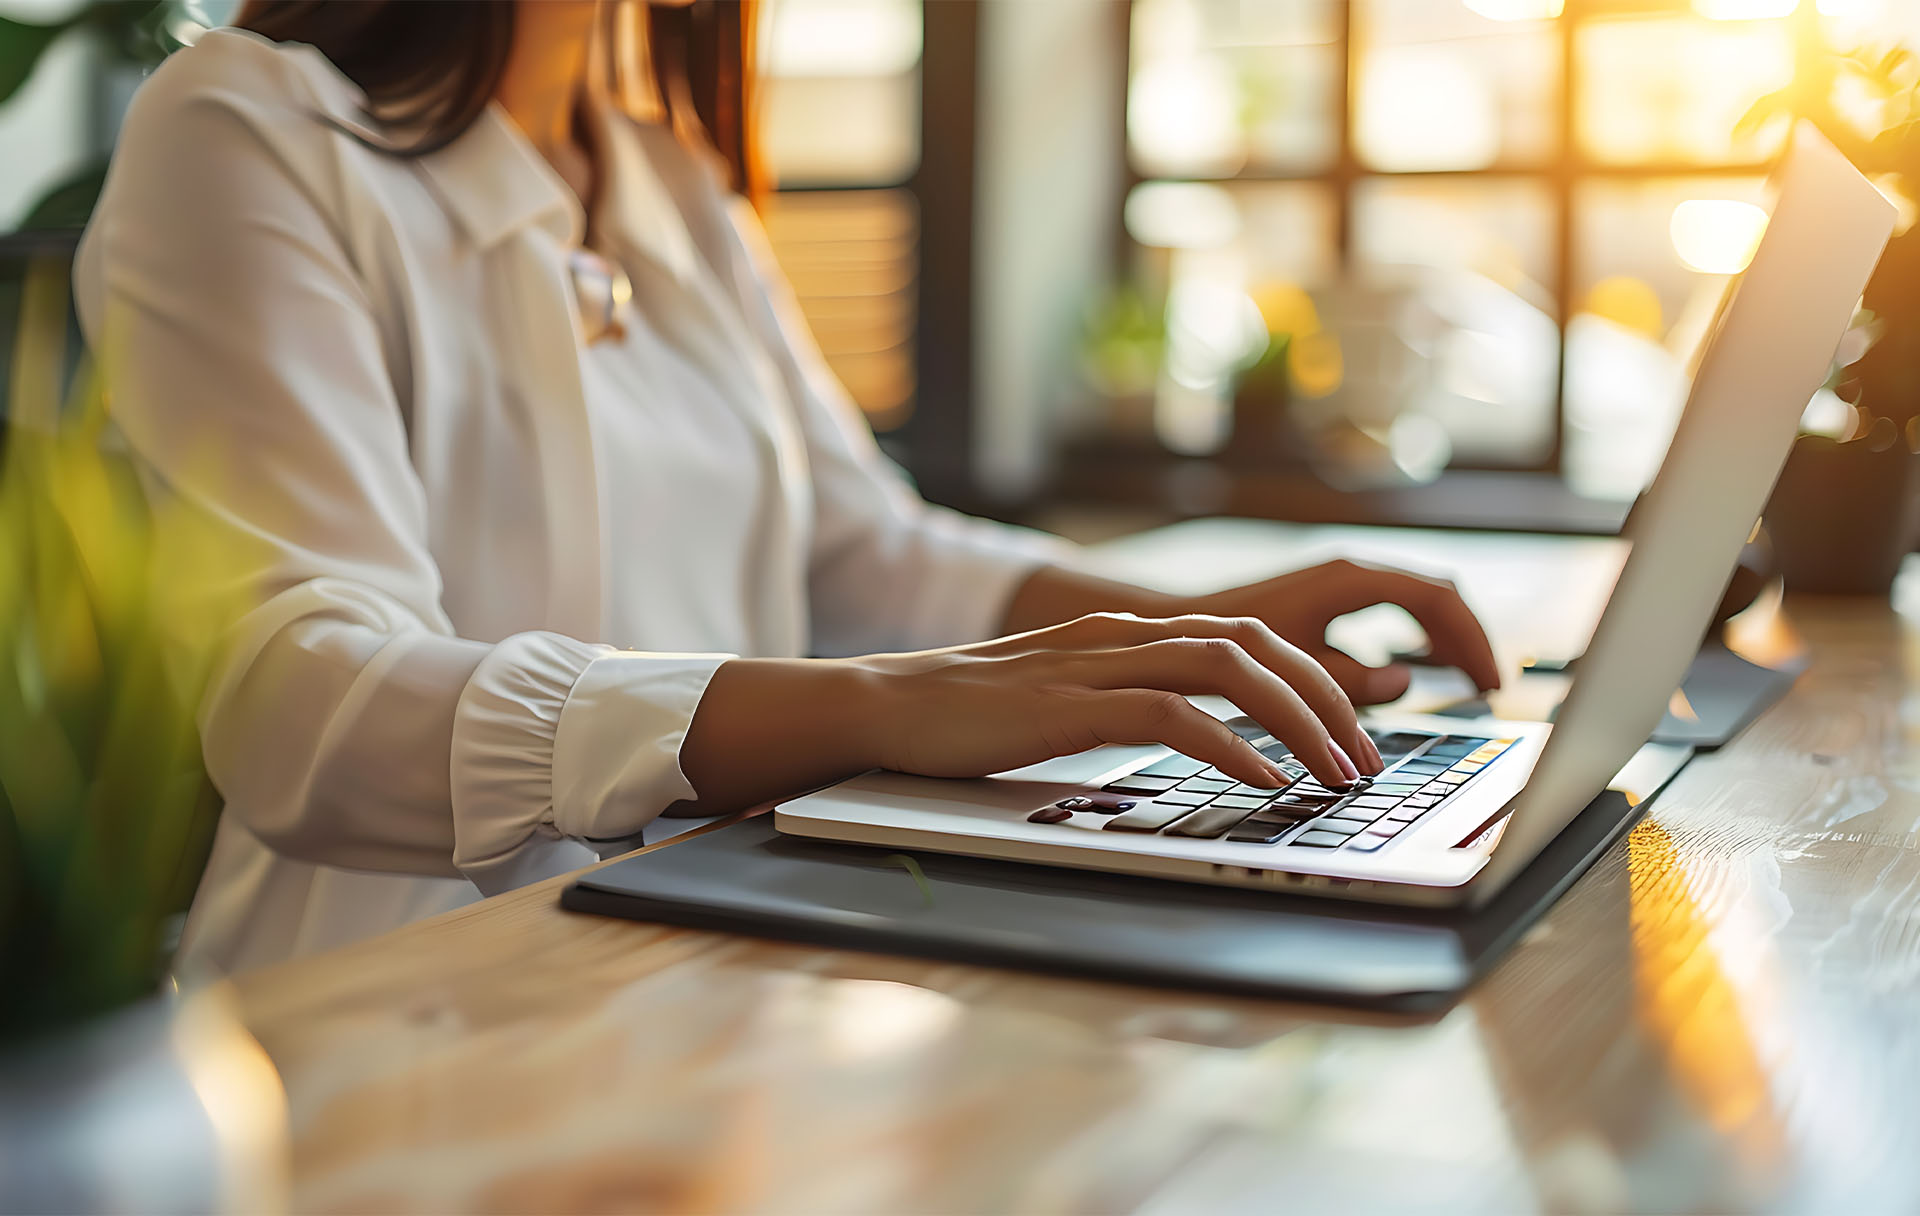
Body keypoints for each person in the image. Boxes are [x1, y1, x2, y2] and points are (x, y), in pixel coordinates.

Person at [75, 0, 1500, 974]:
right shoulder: (248, 127)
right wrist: (878, 705)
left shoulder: (669, 180)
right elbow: (302, 703)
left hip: (703, 967)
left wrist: (1192, 634)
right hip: (387, 1034)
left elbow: (860, 547)